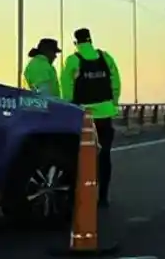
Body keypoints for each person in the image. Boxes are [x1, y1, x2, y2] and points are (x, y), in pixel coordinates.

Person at [61, 27, 121, 207]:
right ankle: (103, 197)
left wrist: (69, 109)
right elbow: (116, 83)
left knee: (79, 157)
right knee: (104, 156)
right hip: (104, 115)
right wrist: (113, 103)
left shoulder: (73, 60)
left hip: (83, 116)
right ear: (91, 40)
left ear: (76, 43)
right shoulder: (105, 57)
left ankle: (78, 195)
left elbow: (66, 87)